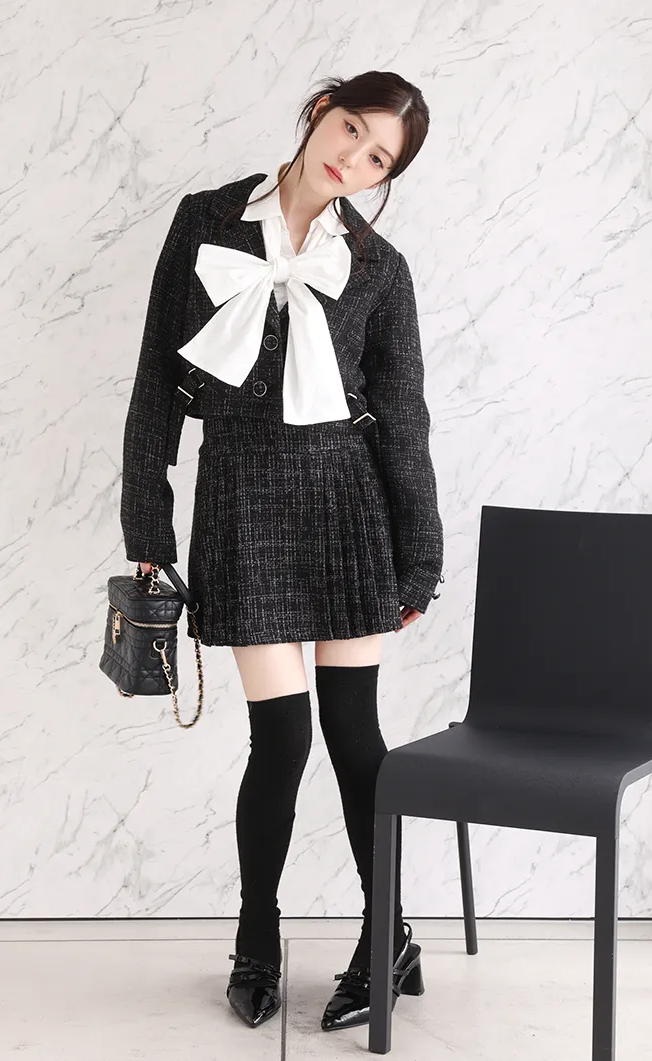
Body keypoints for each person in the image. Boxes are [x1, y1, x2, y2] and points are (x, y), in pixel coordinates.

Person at [120, 69, 444, 1032]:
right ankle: (255, 936)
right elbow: (155, 380)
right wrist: (149, 531)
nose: (354, 158)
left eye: (378, 158)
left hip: (349, 508)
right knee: (283, 738)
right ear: (319, 113)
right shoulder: (206, 219)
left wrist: (419, 554)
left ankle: (387, 934)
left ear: (385, 177)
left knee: (354, 734)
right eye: (351, 130)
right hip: (242, 501)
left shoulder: (381, 269)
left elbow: (405, 419)